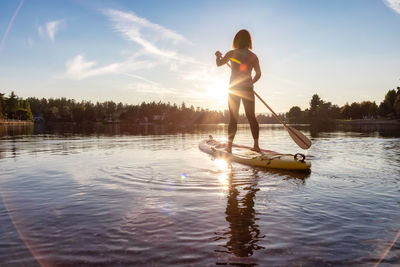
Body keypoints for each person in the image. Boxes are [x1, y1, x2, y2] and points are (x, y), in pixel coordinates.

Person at [215, 29, 261, 153]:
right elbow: (258, 74)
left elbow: (219, 64)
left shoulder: (231, 53)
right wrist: (251, 83)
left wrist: (217, 56)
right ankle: (256, 146)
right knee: (251, 117)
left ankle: (229, 147)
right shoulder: (253, 56)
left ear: (236, 40)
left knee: (233, 118)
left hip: (234, 89)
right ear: (249, 41)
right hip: (248, 89)